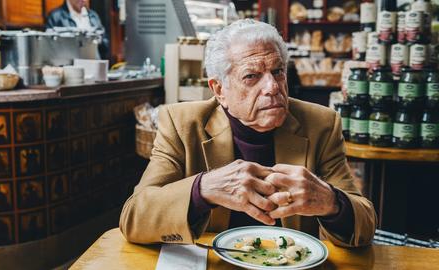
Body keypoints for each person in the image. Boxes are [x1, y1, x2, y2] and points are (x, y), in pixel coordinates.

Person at [119, 19, 376, 247]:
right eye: (252, 76)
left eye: (278, 71)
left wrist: (332, 202)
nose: (272, 87)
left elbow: (365, 226)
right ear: (219, 90)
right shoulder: (182, 123)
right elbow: (133, 218)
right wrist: (203, 189)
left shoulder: (321, 123)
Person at [45, 0, 109, 59]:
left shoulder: (93, 16)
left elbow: (105, 45)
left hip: (94, 64)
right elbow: (49, 49)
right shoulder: (55, 16)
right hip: (68, 67)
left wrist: (98, 39)